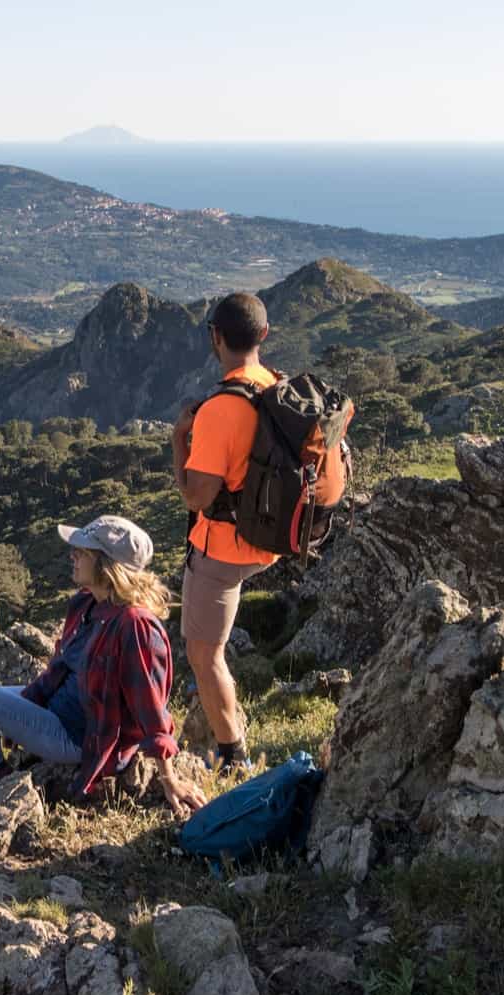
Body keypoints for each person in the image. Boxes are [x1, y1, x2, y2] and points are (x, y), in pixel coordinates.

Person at [0, 514, 207, 819]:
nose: (72, 556)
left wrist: (169, 779)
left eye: (81, 552)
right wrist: (27, 705)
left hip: (78, 736)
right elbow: (58, 670)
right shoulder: (88, 604)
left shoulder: (134, 626)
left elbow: (151, 708)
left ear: (105, 564)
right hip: (58, 711)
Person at [172, 291, 277, 776]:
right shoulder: (277, 387)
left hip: (224, 549)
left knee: (203, 651)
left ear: (216, 338)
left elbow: (196, 496)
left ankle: (233, 754)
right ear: (263, 336)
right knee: (211, 648)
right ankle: (229, 730)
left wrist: (179, 441)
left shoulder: (219, 410)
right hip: (271, 539)